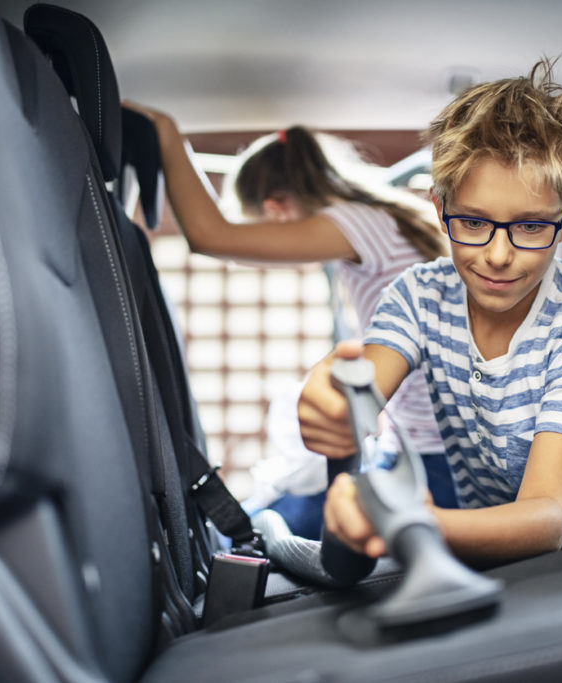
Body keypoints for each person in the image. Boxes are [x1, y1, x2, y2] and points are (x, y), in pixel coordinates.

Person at [297, 58, 562, 567]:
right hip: (516, 558)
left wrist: (411, 519)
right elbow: (364, 386)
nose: (498, 256)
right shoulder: (417, 296)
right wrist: (335, 406)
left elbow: (546, 518)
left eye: (529, 227)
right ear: (439, 209)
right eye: (473, 223)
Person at [122, 103, 456, 537]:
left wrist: (166, 134)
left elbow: (211, 235)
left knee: (257, 528)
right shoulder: (390, 219)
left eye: (266, 224)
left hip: (432, 456)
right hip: (430, 444)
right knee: (267, 514)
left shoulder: (354, 222)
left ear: (277, 207)